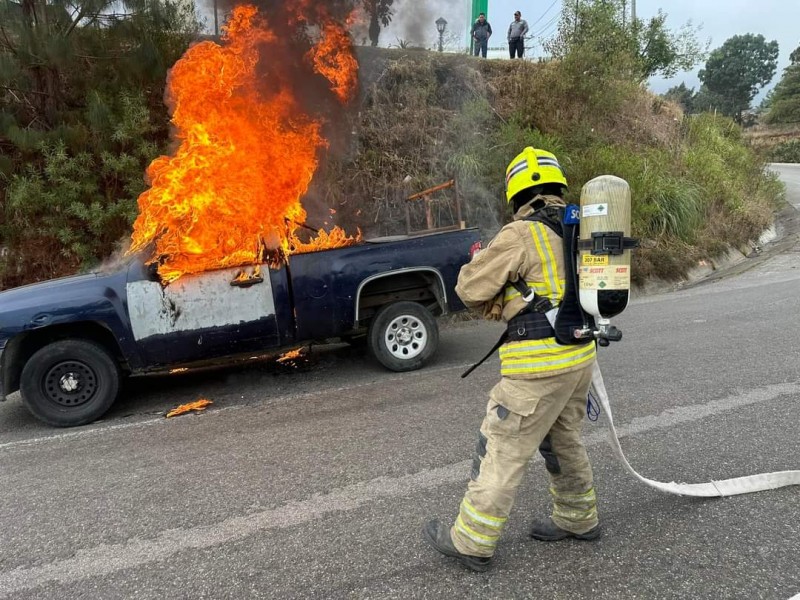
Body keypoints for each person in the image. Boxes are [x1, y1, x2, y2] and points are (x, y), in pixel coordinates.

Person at [423, 148, 600, 572]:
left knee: (501, 446)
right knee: (563, 439)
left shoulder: (520, 235)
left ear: (516, 193)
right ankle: (579, 518)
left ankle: (471, 540)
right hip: (580, 356)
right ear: (558, 186)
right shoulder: (581, 227)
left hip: (538, 366)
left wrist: (484, 268)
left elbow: (469, 289)